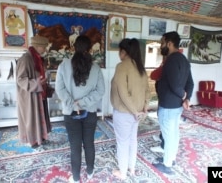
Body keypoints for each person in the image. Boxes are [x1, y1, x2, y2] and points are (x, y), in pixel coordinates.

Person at [55, 35, 105, 183]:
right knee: (89, 143)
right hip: (90, 112)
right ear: (90, 49)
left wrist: (73, 103)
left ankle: (76, 178)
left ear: (73, 47)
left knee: (75, 146)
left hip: (70, 112)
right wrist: (84, 102)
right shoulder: (95, 68)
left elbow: (60, 89)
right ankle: (90, 172)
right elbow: (100, 91)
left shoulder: (63, 65)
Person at [152, 31, 194, 175]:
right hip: (176, 107)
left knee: (169, 135)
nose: (161, 46)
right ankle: (171, 158)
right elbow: (190, 83)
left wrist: (183, 96)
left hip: (169, 106)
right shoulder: (183, 59)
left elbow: (175, 85)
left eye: (162, 43)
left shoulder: (171, 61)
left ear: (169, 43)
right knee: (174, 134)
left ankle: (167, 164)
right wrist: (187, 99)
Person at [110, 38, 151, 180]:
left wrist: (134, 111)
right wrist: (144, 108)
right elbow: (147, 90)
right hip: (137, 113)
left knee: (123, 142)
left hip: (125, 112)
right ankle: (131, 168)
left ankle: (122, 172)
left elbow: (122, 92)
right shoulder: (140, 66)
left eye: (119, 51)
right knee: (132, 140)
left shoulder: (122, 66)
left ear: (123, 51)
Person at [16, 35, 51, 149]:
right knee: (32, 119)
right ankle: (33, 141)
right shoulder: (26, 59)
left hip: (38, 93)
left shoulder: (38, 58)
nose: (46, 50)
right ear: (38, 46)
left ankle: (41, 137)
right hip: (30, 96)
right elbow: (20, 79)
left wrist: (44, 85)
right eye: (44, 47)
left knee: (40, 117)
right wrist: (37, 83)